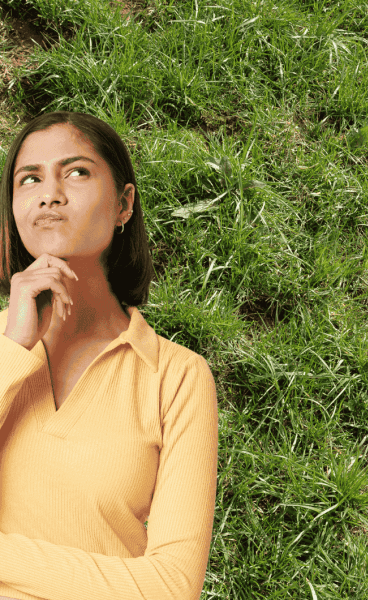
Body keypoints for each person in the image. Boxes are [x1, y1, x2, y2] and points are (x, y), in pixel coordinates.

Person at [0, 111, 218, 600]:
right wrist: (12, 348)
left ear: (124, 205)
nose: (49, 193)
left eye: (75, 172)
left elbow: (172, 586)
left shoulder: (177, 377)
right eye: (28, 178)